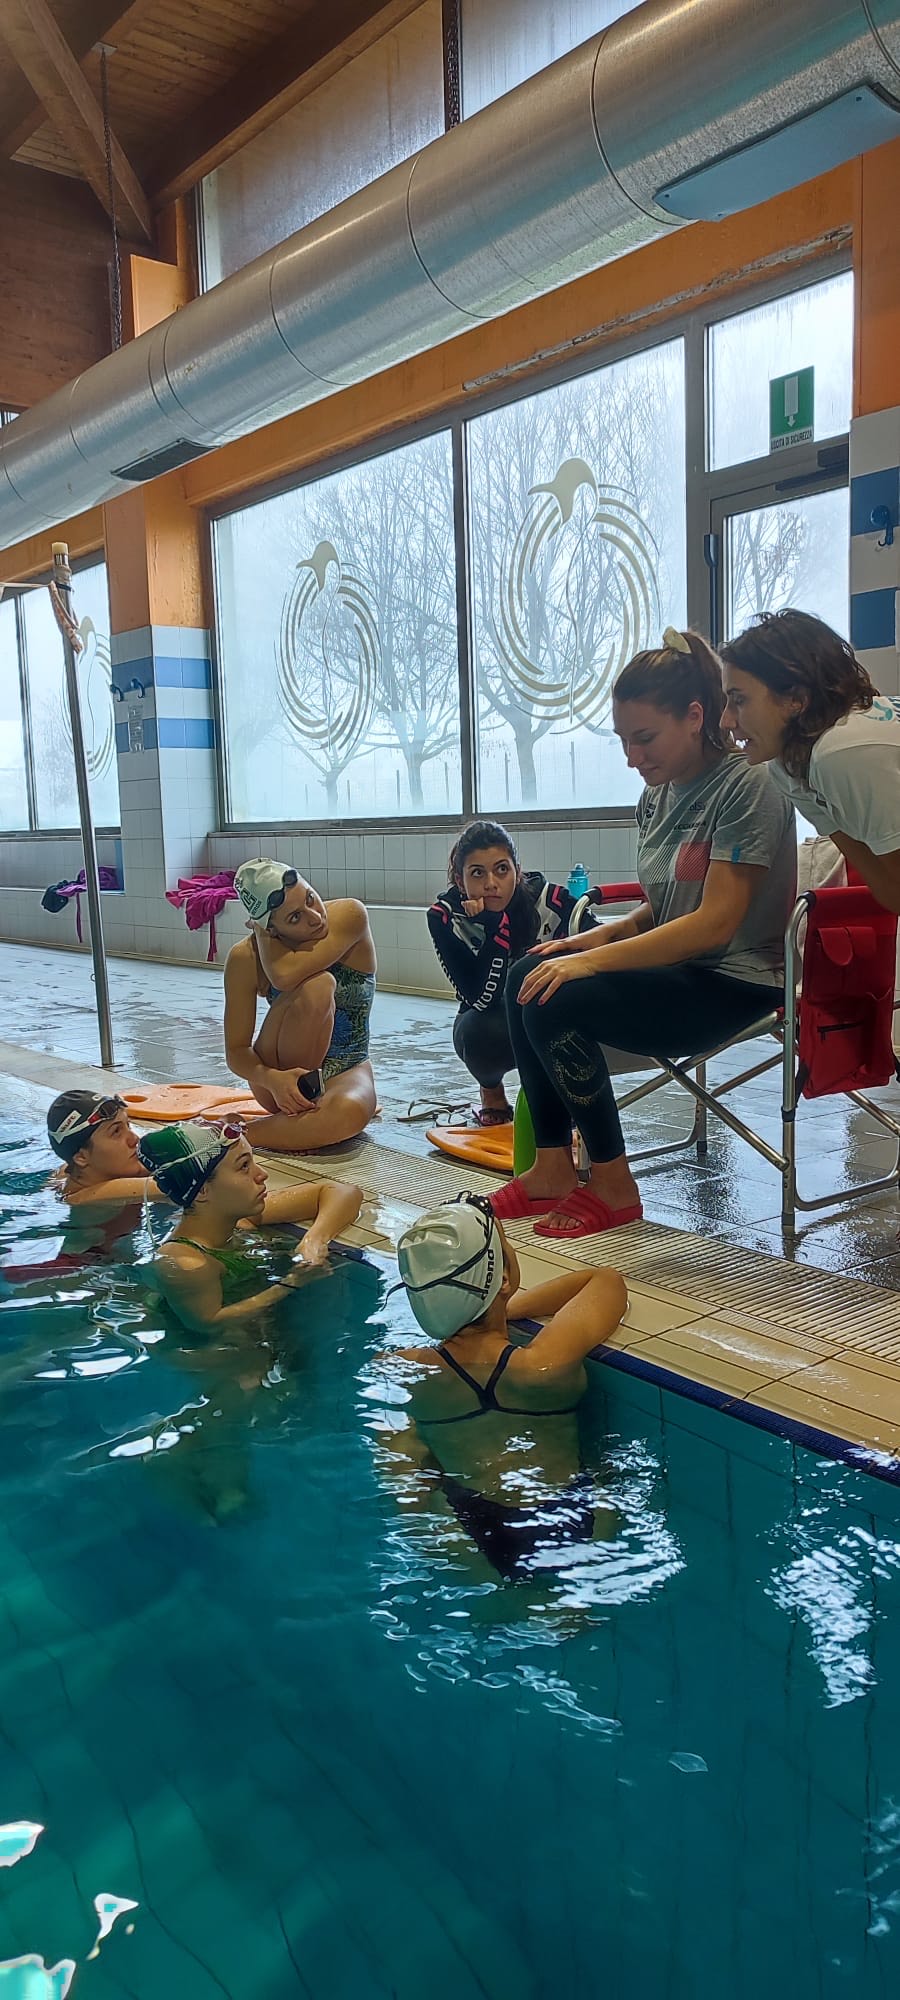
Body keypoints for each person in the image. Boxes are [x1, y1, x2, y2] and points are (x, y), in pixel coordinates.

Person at [494, 627, 797, 1239]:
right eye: (624, 741)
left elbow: (714, 922)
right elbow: (663, 910)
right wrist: (583, 944)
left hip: (736, 981)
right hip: (681, 970)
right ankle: (552, 1165)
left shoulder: (747, 785)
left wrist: (590, 967)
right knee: (529, 972)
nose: (633, 756)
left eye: (645, 737)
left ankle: (613, 1183)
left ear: (694, 716)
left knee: (561, 997)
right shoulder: (656, 796)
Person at [378, 1195, 625, 1582]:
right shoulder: (543, 1365)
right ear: (505, 1276)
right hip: (572, 1514)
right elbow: (606, 1280)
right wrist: (504, 1309)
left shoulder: (405, 1369)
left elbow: (405, 1471)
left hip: (467, 1526)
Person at [720, 609, 900, 914]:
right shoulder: (787, 768)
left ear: (796, 700)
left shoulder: (843, 752)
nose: (725, 720)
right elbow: (890, 892)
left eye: (739, 700)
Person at [136, 1120, 363, 1334]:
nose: (262, 1174)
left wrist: (313, 1240)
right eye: (244, 1166)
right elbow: (207, 1325)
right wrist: (290, 1284)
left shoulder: (239, 1221)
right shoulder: (185, 1262)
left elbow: (342, 1192)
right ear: (203, 1190)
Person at [426, 820, 578, 1123]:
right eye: (477, 873)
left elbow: (600, 946)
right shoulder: (444, 917)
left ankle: (562, 1093)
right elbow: (480, 999)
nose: (491, 883)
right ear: (460, 880)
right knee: (477, 1033)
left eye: (501, 870)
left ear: (517, 871)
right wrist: (496, 929)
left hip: (550, 1014)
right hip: (490, 1020)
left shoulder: (554, 901)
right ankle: (491, 1092)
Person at [224, 858, 377, 1152]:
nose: (315, 917)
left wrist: (262, 930)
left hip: (347, 1067)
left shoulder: (348, 915)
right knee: (318, 987)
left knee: (350, 1114)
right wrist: (273, 1079)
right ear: (271, 929)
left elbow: (284, 975)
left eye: (310, 897)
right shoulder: (245, 958)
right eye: (294, 918)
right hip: (277, 1076)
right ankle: (272, 1124)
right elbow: (236, 1052)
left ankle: (240, 1135)